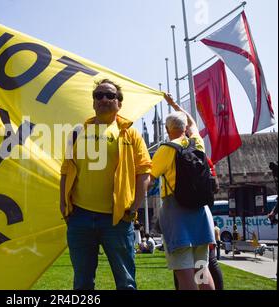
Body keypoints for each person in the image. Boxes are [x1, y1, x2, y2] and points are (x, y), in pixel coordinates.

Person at [60, 79, 151, 290]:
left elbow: (144, 172)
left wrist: (134, 207)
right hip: (80, 218)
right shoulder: (77, 133)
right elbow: (66, 170)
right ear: (93, 102)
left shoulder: (131, 134)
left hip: (117, 219)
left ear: (119, 103)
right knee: (82, 283)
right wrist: (63, 205)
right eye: (98, 95)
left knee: (126, 282)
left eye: (109, 95)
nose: (103, 99)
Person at [150, 94, 215, 290]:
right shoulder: (197, 142)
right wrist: (175, 105)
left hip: (176, 216)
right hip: (200, 214)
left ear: (167, 129)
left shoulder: (166, 149)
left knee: (184, 273)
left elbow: (150, 177)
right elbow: (194, 122)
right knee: (202, 270)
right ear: (185, 128)